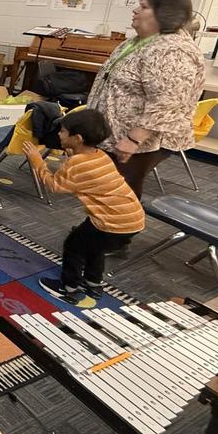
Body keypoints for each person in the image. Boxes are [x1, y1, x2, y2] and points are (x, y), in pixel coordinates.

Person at [87, 0, 205, 198]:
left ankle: (117, 220)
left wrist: (133, 139)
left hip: (141, 141)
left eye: (143, 7)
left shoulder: (172, 50)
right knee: (105, 189)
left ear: (165, 14)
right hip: (115, 132)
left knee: (120, 192)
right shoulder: (138, 40)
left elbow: (168, 102)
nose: (135, 10)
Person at [22, 108, 144, 305]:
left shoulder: (77, 164)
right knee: (95, 248)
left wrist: (37, 161)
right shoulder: (100, 155)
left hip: (111, 222)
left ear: (77, 138)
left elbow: (54, 185)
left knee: (74, 245)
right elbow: (83, 172)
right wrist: (71, 155)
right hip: (132, 218)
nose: (59, 134)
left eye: (62, 131)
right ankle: (93, 282)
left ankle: (68, 287)